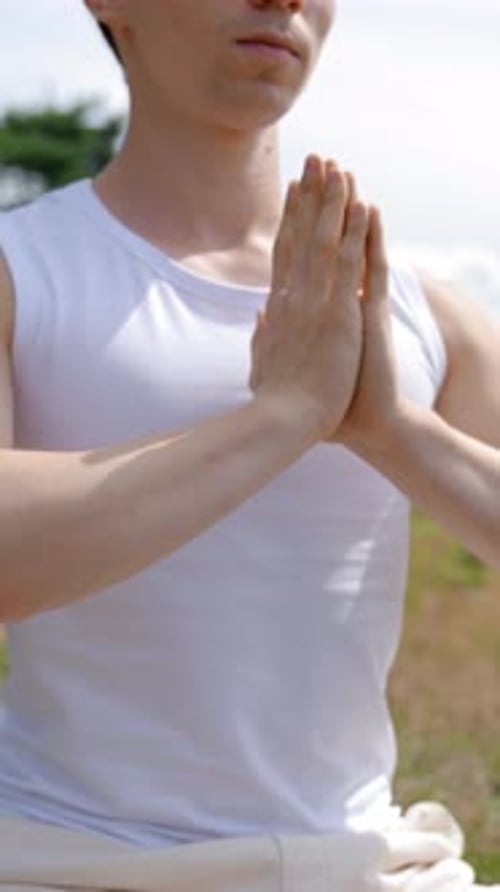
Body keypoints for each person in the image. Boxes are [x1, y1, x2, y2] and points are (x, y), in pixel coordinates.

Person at [0, 1, 499, 890]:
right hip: (70, 861)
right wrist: (284, 416)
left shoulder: (417, 307)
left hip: (366, 864)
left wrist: (395, 429)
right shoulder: (20, 269)